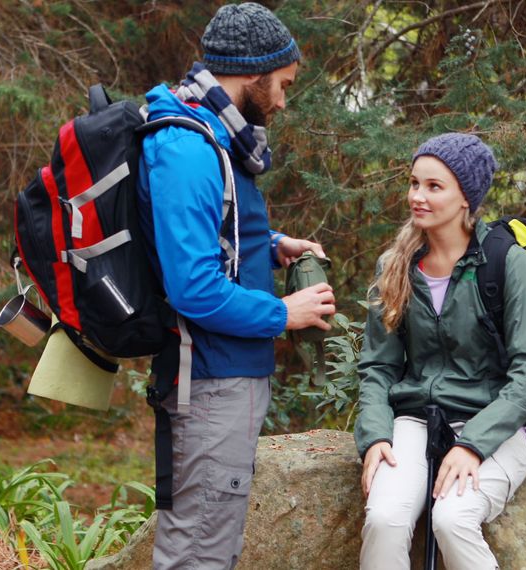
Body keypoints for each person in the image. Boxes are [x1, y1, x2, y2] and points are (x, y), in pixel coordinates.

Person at [136, 3, 335, 569]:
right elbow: (193, 287)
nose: (282, 101)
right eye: (282, 85)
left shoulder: (214, 135)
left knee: (209, 544)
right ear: (253, 74)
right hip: (210, 381)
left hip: (222, 375)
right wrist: (283, 312)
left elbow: (208, 227)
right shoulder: (189, 147)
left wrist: (270, 245)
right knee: (199, 552)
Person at [353, 133, 526, 570]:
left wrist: (472, 444)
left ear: (465, 199)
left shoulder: (505, 262)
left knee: (453, 519)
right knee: (384, 518)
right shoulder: (394, 265)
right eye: (414, 183)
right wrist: (376, 435)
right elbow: (379, 367)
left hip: (491, 426)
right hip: (415, 420)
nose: (417, 196)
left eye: (434, 187)